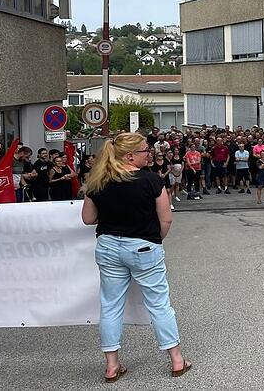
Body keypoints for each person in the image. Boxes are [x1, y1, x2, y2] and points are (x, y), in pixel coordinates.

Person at [80, 132, 191, 382]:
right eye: (144, 151)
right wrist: (154, 239)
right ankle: (176, 360)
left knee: (110, 305)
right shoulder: (151, 180)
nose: (148, 154)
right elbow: (166, 219)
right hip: (143, 246)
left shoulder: (99, 180)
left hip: (108, 246)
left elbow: (87, 218)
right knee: (159, 304)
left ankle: (112, 366)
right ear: (130, 156)